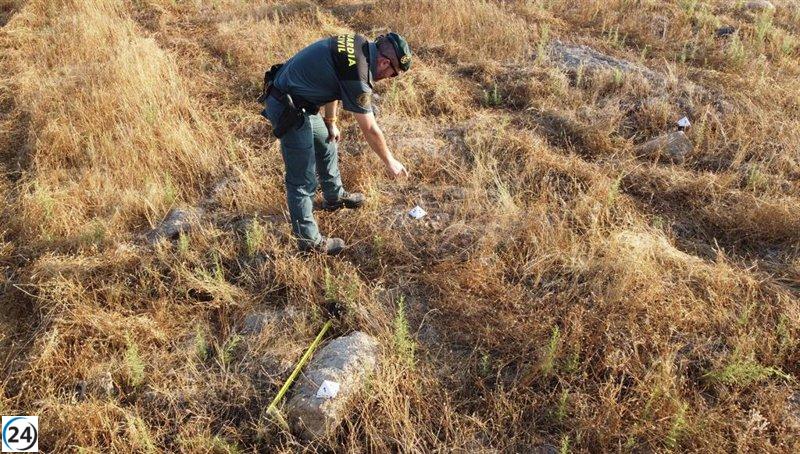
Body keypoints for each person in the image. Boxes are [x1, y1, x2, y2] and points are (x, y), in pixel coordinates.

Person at [260, 32, 412, 255]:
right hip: (287, 105)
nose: (389, 78)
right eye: (393, 73)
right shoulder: (359, 76)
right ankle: (309, 243)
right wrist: (390, 161)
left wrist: (331, 121)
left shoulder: (359, 44)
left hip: (302, 100)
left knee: (327, 141)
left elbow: (333, 79)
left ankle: (334, 197)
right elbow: (370, 128)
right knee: (303, 180)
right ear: (384, 62)